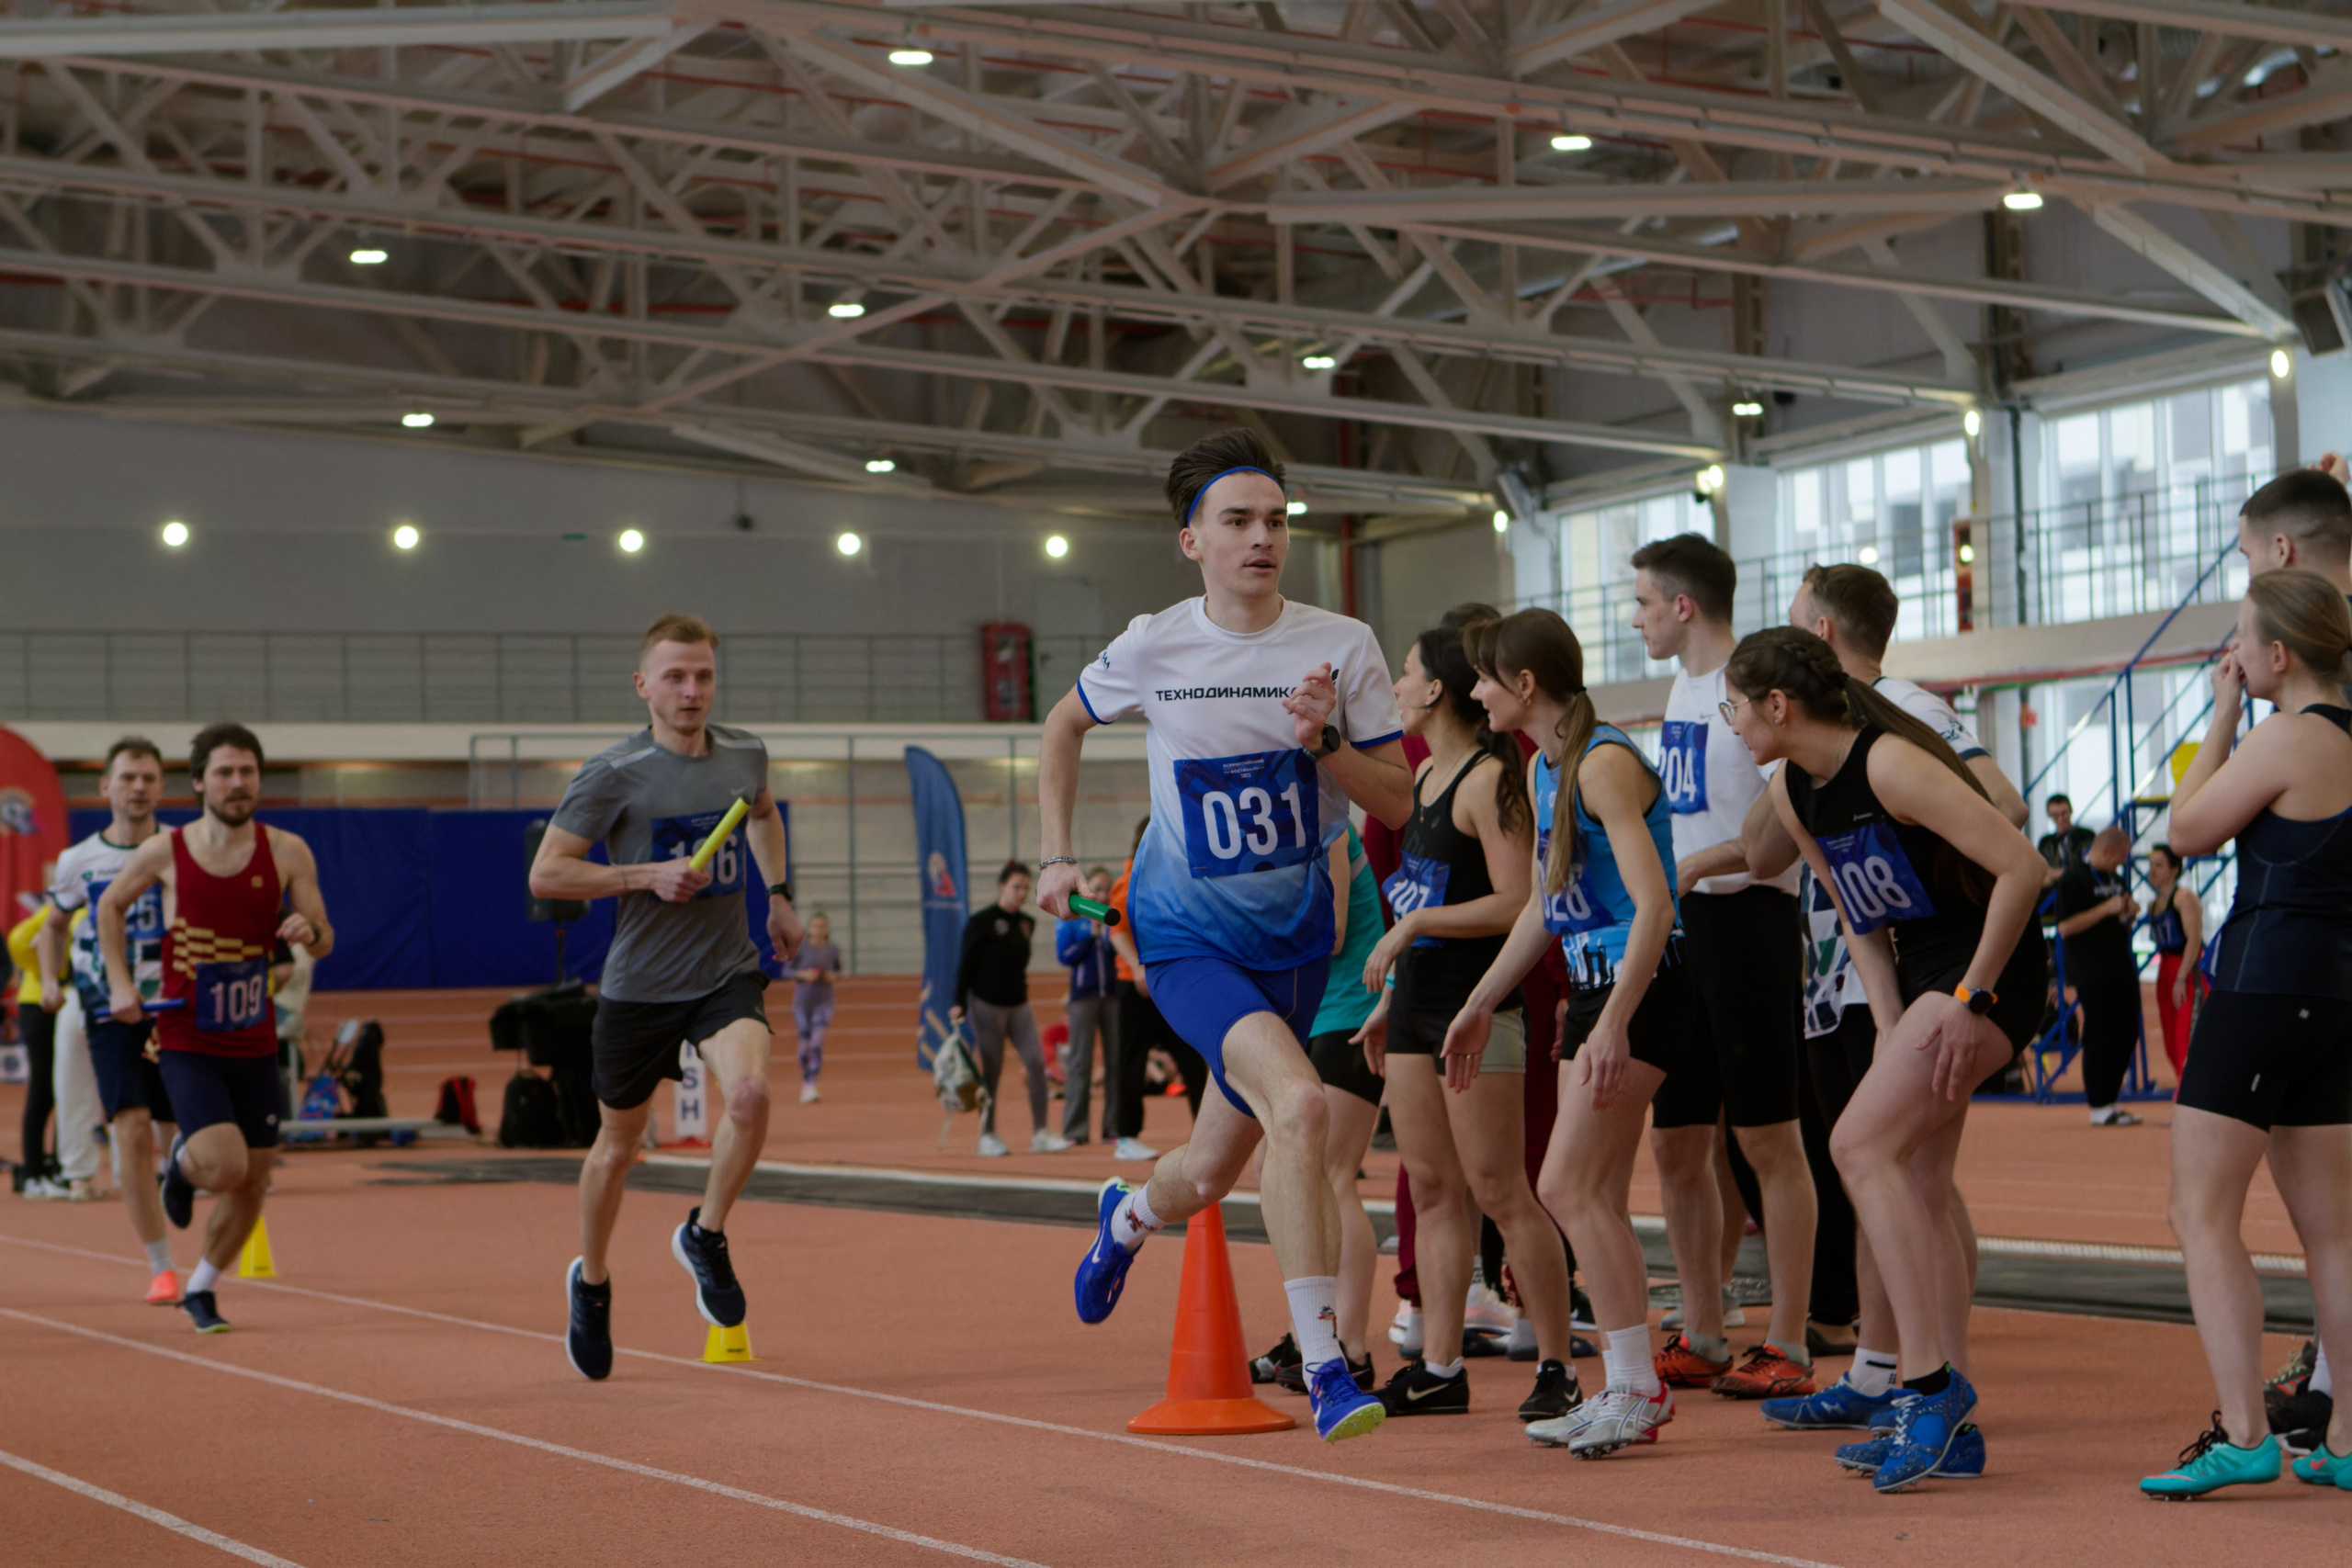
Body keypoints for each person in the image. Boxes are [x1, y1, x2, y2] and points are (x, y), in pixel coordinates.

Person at [1053, 426, 1411, 1446]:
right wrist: (1051, 853)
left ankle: (1127, 1217)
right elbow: (1061, 725)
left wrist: (1325, 743)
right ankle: (1329, 1366)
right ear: (1191, 541)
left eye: (1276, 521)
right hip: (1182, 934)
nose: (1262, 538)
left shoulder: (1341, 645)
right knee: (1300, 1107)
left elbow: (1398, 799)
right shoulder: (1153, 642)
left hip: (1298, 946)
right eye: (1238, 521)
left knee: (1207, 1172)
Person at [1732, 627, 2047, 1492]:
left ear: (1777, 705)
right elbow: (1860, 919)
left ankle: (1927, 1388)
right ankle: (1952, 1420)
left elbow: (2025, 868)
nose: (1730, 723)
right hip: (1917, 971)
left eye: (1735, 706)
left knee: (1858, 1146)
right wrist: (1891, 1021)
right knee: (1910, 1177)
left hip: (1992, 966)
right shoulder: (1797, 790)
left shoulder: (1890, 765)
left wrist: (1969, 998)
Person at [1437, 609, 1690, 1456]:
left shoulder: (1605, 762)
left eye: (1483, 678)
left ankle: (1635, 1384)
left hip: (1641, 986)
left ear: (1526, 685)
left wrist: (1615, 1017)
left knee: (1567, 1184)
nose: (1476, 693)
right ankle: (1627, 1385)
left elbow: (1656, 905)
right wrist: (1483, 997)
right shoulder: (1548, 764)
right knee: (1593, 1192)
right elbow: (1549, 907)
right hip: (1594, 989)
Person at [529, 613, 804, 1381]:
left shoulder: (744, 753)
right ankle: (590, 1279)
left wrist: (779, 894)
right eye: (676, 677)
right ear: (643, 684)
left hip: (724, 971)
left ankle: (705, 1234)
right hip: (640, 987)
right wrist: (640, 876)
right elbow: (547, 874)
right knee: (618, 1148)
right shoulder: (611, 774)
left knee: (749, 1093)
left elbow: (764, 811)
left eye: (704, 676)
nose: (691, 691)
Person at [2142, 570, 2352, 1498]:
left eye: (2239, 642)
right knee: (2335, 1237)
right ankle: (2344, 1438)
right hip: (2338, 997)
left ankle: (2243, 1432)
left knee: (2200, 1214)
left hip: (2264, 989)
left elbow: (2185, 828)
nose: (2232, 655)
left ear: (2277, 655)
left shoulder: (2286, 736)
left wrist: (2222, 709)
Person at [1356, 621, 1577, 1425]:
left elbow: (1518, 901)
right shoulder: (1422, 780)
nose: (1395, 689)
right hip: (1415, 1008)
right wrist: (1390, 998)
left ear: (1435, 690)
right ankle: (1441, 1365)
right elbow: (1420, 897)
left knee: (1501, 1189)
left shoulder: (1488, 779)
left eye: (1405, 674)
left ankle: (1555, 1360)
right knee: (1437, 1188)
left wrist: (1414, 930)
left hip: (1478, 1007)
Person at [1628, 534, 1818, 1400]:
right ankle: (1703, 1327)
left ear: (1682, 605)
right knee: (1675, 1143)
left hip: (1750, 922)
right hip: (1684, 929)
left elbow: (1779, 831)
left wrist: (1704, 867)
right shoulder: (1682, 688)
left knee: (1768, 1138)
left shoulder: (1749, 688)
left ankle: (1788, 1335)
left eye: (1640, 602)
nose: (1633, 618)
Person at [98, 723, 335, 1336]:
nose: (237, 783)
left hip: (253, 1037)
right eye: (225, 772)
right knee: (225, 1163)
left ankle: (201, 1286)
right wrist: (120, 982)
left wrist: (308, 932)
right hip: (187, 1035)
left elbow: (325, 932)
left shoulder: (287, 850)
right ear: (200, 780)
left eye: (248, 772)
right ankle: (179, 1163)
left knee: (256, 1176)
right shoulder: (167, 851)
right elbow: (110, 905)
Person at [45, 738, 180, 1303]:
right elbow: (54, 924)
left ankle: (182, 1174)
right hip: (107, 1005)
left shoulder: (181, 848)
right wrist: (52, 981)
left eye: (148, 777)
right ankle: (160, 1266)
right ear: (105, 787)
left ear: (161, 787)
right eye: (127, 778)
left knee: (179, 1131)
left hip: (174, 1008)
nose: (138, 787)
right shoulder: (80, 860)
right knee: (130, 1127)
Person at [1254, 821, 1386, 1393]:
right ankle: (1306, 1333)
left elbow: (1330, 932)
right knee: (1276, 1171)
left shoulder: (1325, 826)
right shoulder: (1263, 830)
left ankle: (1350, 1345)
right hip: (1302, 1011)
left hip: (1351, 1009)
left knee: (1332, 1174)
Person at [953, 863, 1069, 1157]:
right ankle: (986, 1134)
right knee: (991, 1072)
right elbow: (966, 963)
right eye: (1016, 886)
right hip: (986, 1006)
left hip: (1018, 1005)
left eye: (1025, 888)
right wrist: (957, 1001)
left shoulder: (1027, 924)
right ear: (1002, 886)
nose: (1021, 893)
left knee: (1034, 1063)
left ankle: (1041, 1132)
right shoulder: (981, 922)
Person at [2054, 826, 2145, 1126]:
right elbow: (2065, 927)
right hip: (2091, 970)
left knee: (2128, 1028)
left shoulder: (2115, 879)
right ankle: (2099, 1103)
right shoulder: (2075, 878)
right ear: (2107, 851)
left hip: (2119, 964)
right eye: (2119, 859)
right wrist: (2106, 909)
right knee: (2100, 1032)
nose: (2121, 866)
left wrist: (2127, 913)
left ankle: (2111, 1099)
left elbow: (2118, 920)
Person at [1053, 870, 1118, 1144]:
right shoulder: (1074, 919)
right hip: (1083, 997)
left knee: (1116, 1062)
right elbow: (1065, 956)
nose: (1102, 894)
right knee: (1080, 1063)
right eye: (1097, 888)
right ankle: (1075, 1130)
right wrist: (1091, 938)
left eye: (1107, 889)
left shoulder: (1115, 920)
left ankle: (1114, 1128)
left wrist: (1108, 938)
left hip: (1113, 997)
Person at [8, 903, 66, 1198]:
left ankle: (57, 1165)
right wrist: (49, 977)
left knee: (66, 1090)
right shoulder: (59, 907)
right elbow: (18, 939)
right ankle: (31, 1170)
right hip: (39, 1004)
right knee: (42, 1090)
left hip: (69, 1004)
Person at [2145, 845, 2203, 1083]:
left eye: (2159, 865)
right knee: (2170, 1039)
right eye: (2151, 865)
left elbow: (2195, 939)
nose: (2153, 871)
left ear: (2174, 869)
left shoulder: (2183, 897)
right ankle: (2184, 1087)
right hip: (2165, 970)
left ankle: (2187, 1095)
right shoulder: (2153, 904)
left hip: (2185, 969)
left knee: (2184, 1038)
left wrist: (2182, 977)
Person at [789, 914, 840, 1105]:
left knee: (816, 1043)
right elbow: (788, 971)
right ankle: (806, 1079)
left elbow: (837, 970)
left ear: (827, 929)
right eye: (815, 927)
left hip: (824, 1003)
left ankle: (810, 1083)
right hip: (802, 1004)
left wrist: (831, 977)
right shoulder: (801, 949)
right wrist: (805, 974)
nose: (818, 931)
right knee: (804, 1047)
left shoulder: (833, 950)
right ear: (809, 929)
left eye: (822, 927)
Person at [2037, 795, 2094, 886]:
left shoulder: (2085, 835)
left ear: (2070, 811)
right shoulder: (2046, 842)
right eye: (2055, 815)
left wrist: (2059, 873)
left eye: (2064, 813)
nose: (2060, 819)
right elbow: (2040, 869)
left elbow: (2089, 863)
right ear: (2050, 816)